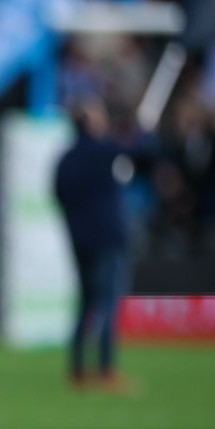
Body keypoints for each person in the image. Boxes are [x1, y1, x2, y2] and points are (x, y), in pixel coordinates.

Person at [54, 96, 131, 391]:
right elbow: (142, 150)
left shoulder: (66, 159)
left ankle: (76, 368)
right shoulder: (104, 151)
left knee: (85, 302)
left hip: (79, 239)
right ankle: (106, 369)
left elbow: (58, 195)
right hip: (108, 238)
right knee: (109, 302)